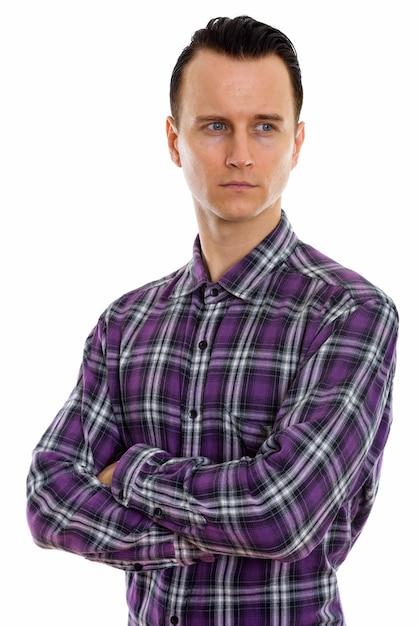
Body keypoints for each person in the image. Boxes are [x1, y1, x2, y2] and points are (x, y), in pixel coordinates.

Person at [26, 15, 398, 626]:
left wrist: (132, 472)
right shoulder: (126, 323)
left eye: (266, 128)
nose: (242, 154)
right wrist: (200, 542)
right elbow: (48, 497)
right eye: (216, 126)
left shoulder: (350, 313)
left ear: (297, 143)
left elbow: (281, 512)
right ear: (175, 140)